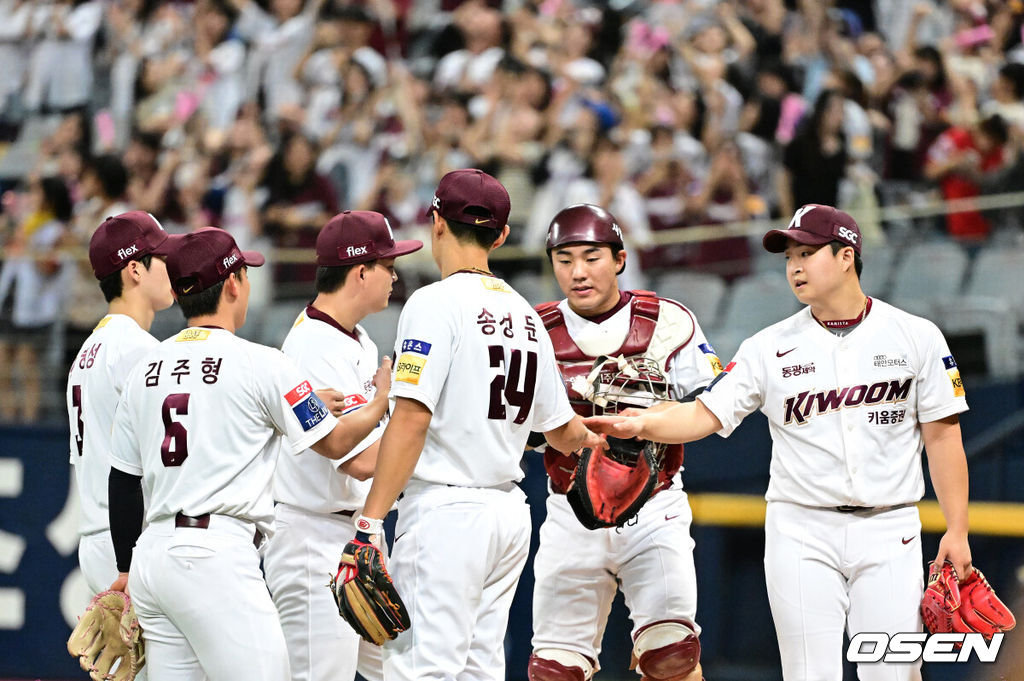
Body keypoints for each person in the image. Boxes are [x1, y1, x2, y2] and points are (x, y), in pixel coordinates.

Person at [587, 204, 972, 681]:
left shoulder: (916, 336)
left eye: (808, 253)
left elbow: (943, 435)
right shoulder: (767, 347)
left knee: (893, 675)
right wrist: (640, 425)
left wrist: (957, 529)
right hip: (801, 531)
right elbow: (704, 414)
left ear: (847, 256)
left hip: (889, 528)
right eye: (789, 255)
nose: (794, 266)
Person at [348, 169, 604, 681]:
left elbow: (412, 417)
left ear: (437, 222)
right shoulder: (528, 316)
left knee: (421, 670)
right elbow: (562, 431)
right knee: (478, 671)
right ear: (502, 235)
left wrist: (369, 522)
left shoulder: (433, 303)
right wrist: (605, 435)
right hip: (508, 517)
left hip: (447, 513)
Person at [106, 227, 392, 681]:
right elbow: (338, 443)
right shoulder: (263, 363)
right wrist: (380, 402)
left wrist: (124, 570)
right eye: (245, 272)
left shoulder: (146, 368)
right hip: (216, 556)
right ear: (234, 283)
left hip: (153, 558)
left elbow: (121, 479)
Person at [527, 203, 723, 681]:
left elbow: (713, 406)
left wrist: (653, 418)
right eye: (565, 258)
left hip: (654, 505)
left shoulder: (669, 321)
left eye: (592, 256)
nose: (577, 271)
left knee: (672, 657)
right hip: (568, 506)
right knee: (554, 669)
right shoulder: (532, 329)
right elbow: (514, 425)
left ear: (619, 259)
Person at [263, 210, 421, 681]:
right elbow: (359, 461)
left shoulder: (361, 340)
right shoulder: (311, 346)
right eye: (388, 264)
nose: (395, 274)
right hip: (312, 538)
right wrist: (404, 415)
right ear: (360, 272)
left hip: (353, 532)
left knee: (393, 672)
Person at [65, 211, 182, 604]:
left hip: (99, 537)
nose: (173, 265)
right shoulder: (138, 349)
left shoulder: (87, 351)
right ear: (134, 269)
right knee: (169, 668)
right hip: (129, 541)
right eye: (163, 257)